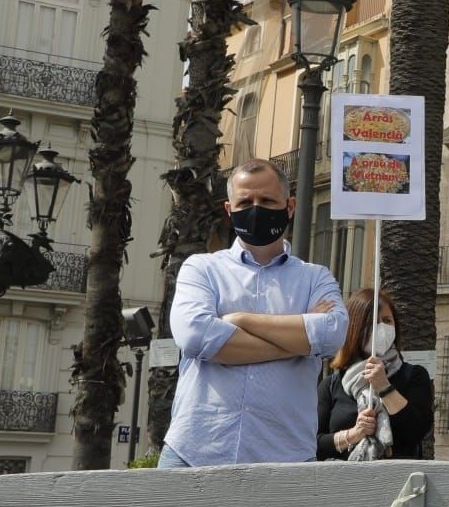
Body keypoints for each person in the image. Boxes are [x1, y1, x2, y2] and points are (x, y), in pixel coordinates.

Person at [161, 159, 348, 467]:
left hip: (284, 460)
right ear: (229, 209)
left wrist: (239, 321)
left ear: (289, 207)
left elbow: (331, 335)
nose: (256, 208)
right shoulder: (201, 268)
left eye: (267, 200)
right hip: (193, 454)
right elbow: (195, 336)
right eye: (245, 201)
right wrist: (297, 343)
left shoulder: (316, 278)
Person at [318, 288, 434, 460]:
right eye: (372, 323)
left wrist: (385, 388)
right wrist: (353, 434)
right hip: (344, 484)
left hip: (397, 483)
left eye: (387, 321)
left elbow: (418, 430)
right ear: (354, 328)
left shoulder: (414, 376)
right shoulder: (332, 385)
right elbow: (313, 443)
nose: (382, 328)